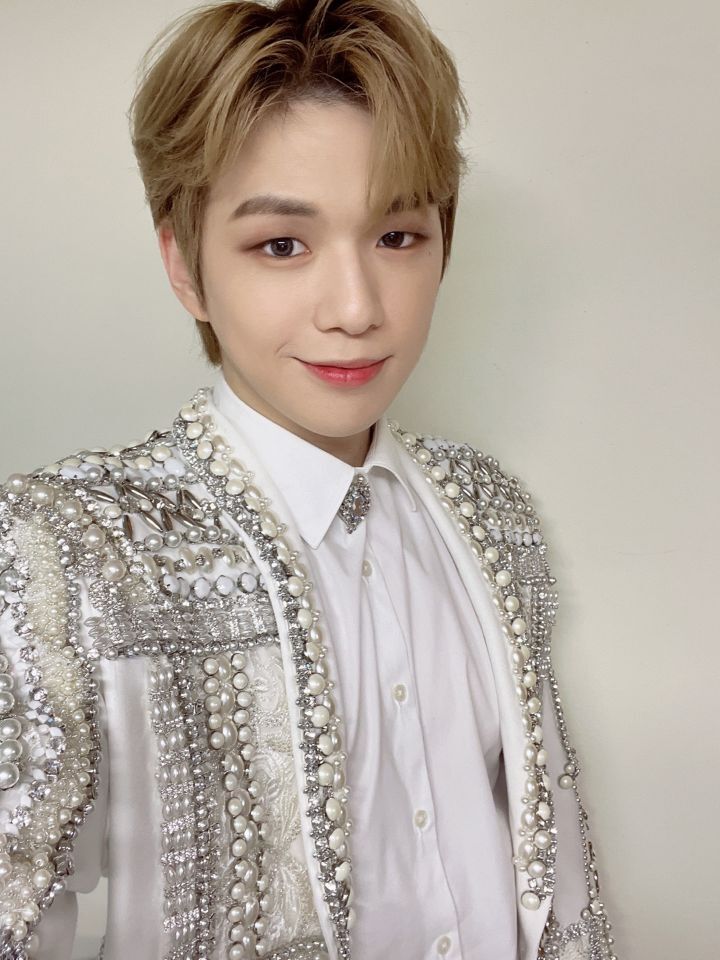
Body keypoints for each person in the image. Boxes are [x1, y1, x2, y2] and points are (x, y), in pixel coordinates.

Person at [0, 1, 616, 958]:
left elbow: (552, 867)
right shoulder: (65, 550)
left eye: (397, 236)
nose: (357, 309)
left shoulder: (489, 511)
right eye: (281, 245)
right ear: (185, 267)